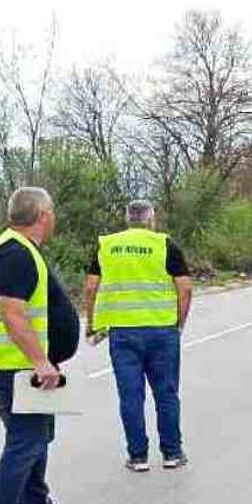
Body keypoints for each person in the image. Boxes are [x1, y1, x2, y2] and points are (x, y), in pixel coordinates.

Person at [0, 187, 78, 504]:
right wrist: (40, 362)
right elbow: (12, 313)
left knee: (38, 438)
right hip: (15, 366)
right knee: (25, 442)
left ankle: (36, 502)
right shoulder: (14, 252)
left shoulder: (19, 247)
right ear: (43, 216)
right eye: (53, 213)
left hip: (22, 364)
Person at [85, 200, 193, 472]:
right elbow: (185, 289)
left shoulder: (107, 245)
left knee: (130, 396)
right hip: (161, 331)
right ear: (151, 218)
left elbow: (90, 287)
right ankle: (172, 453)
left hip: (122, 333)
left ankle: (138, 456)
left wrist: (92, 323)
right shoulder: (165, 245)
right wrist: (178, 323)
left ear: (127, 218)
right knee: (166, 394)